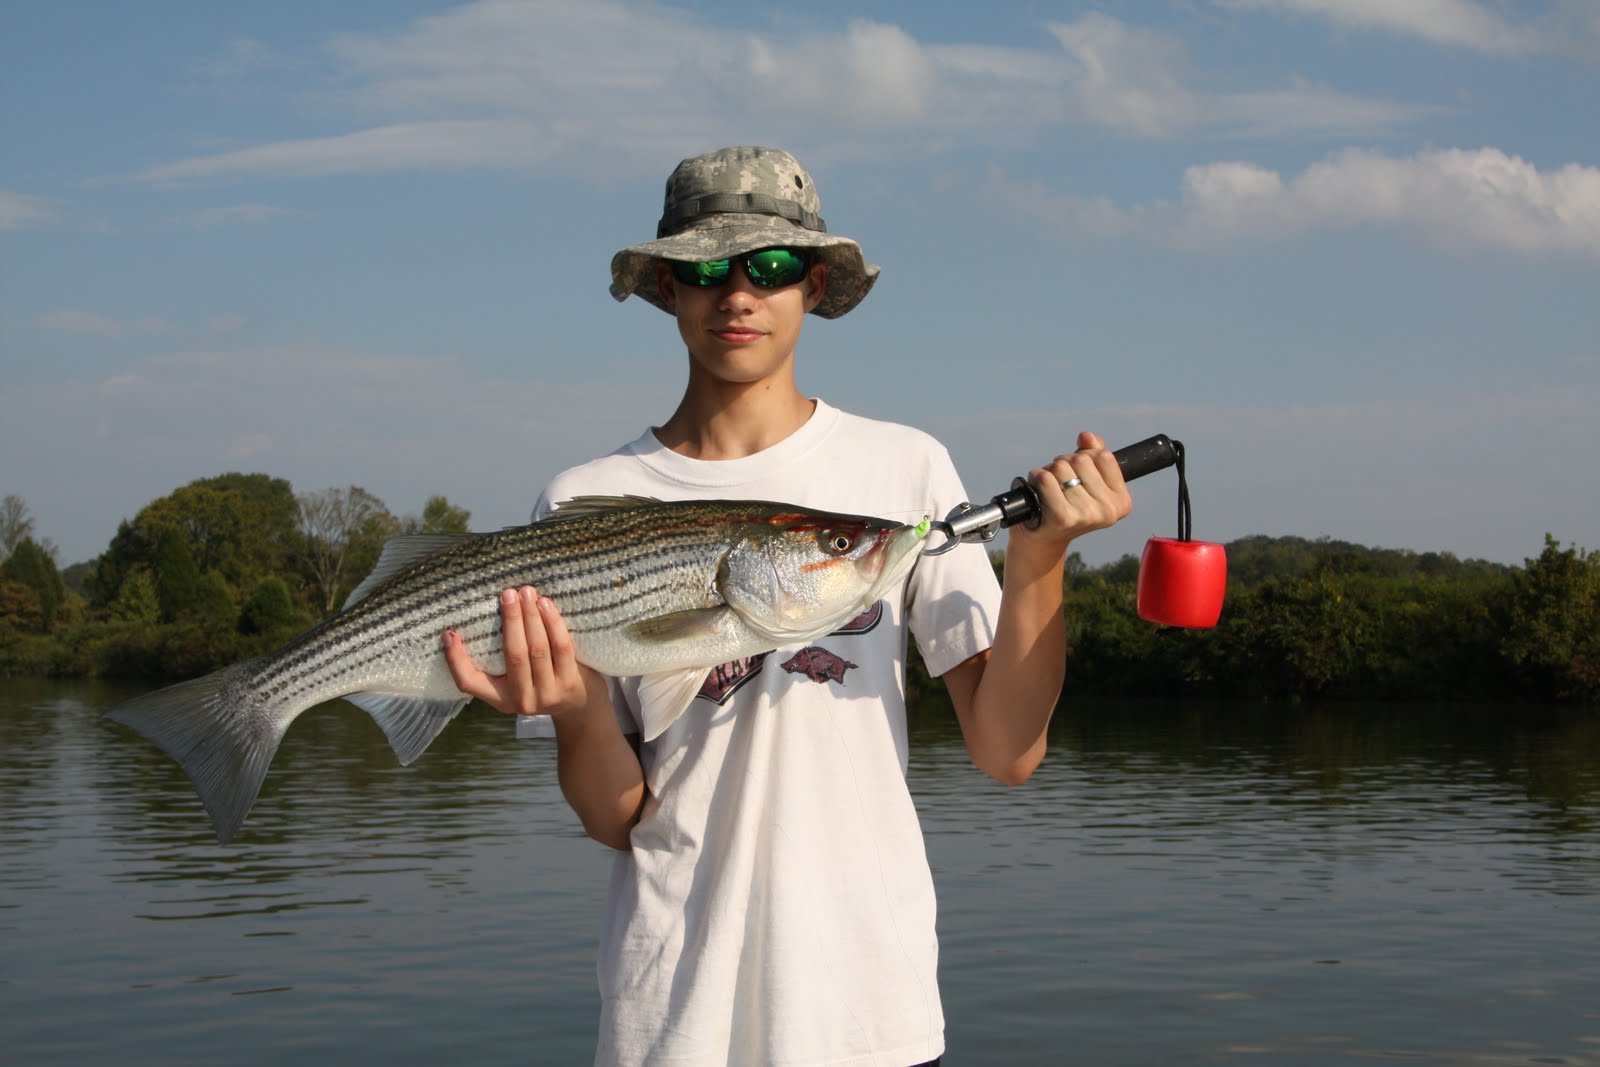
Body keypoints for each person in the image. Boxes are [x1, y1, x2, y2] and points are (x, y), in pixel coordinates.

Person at [443, 145, 1132, 1067]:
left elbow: (1008, 751)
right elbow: (616, 818)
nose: (739, 294)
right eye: (706, 269)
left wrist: (1038, 556)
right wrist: (572, 709)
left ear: (811, 284)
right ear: (668, 288)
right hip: (672, 1015)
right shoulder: (583, 498)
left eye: (768, 267)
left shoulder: (904, 471)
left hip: (868, 1013)